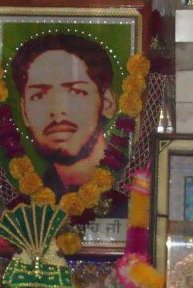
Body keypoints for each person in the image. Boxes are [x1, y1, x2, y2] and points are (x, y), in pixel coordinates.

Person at [10, 33, 117, 197]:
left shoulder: (129, 183)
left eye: (75, 92)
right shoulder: (26, 197)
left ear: (107, 103)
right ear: (25, 112)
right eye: (39, 96)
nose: (57, 110)